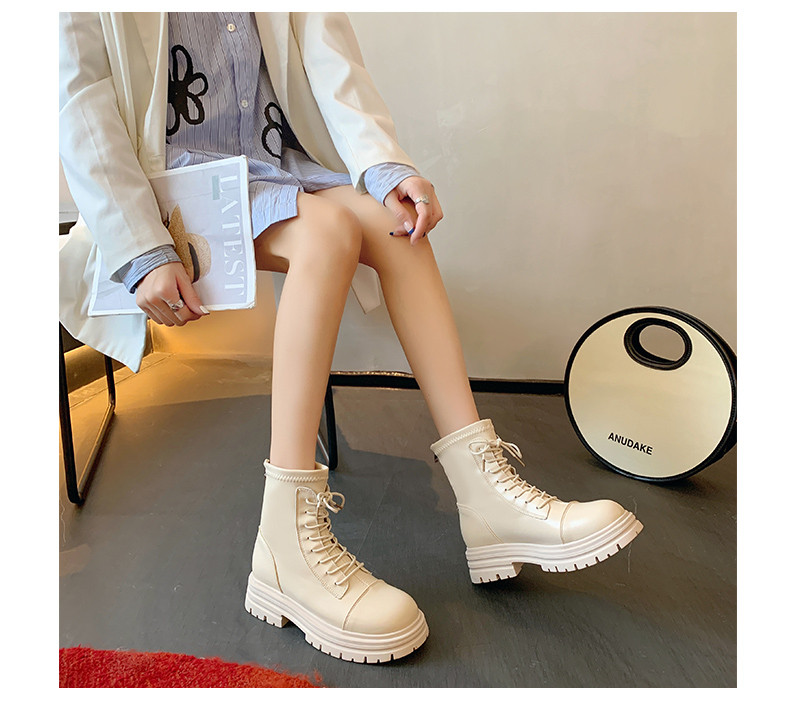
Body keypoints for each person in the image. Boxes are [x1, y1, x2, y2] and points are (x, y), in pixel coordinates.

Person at [59, 11, 643, 664]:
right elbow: (78, 98)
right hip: (169, 185)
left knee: (395, 225)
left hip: (276, 163)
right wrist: (139, 245)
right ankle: (285, 543)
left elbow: (330, 57)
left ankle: (485, 497)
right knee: (329, 231)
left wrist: (386, 166)